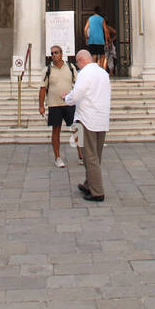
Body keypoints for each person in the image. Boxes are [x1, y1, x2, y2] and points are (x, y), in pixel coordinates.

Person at [64, 49, 110, 202]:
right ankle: (89, 183)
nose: (77, 65)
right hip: (101, 119)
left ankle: (97, 191)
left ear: (81, 60)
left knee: (89, 156)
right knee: (96, 155)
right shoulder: (103, 73)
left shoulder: (84, 74)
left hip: (86, 119)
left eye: (77, 62)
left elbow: (77, 94)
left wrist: (67, 98)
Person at [38, 46, 78, 168]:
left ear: (61, 54)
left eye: (56, 53)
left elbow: (78, 84)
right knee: (56, 131)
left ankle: (82, 155)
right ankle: (57, 157)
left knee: (77, 129)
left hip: (69, 103)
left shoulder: (70, 67)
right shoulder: (47, 70)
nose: (54, 55)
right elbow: (43, 88)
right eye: (52, 53)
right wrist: (41, 106)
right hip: (54, 104)